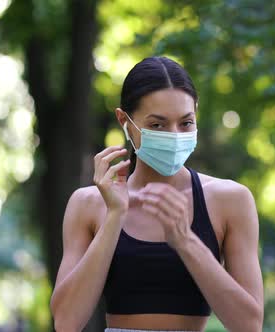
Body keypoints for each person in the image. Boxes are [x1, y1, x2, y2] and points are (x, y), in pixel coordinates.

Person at [49, 56, 263, 332]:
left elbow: (249, 325)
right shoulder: (88, 204)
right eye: (158, 125)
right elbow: (66, 322)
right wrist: (115, 215)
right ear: (124, 121)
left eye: (185, 123)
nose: (174, 135)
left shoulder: (230, 200)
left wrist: (185, 241)